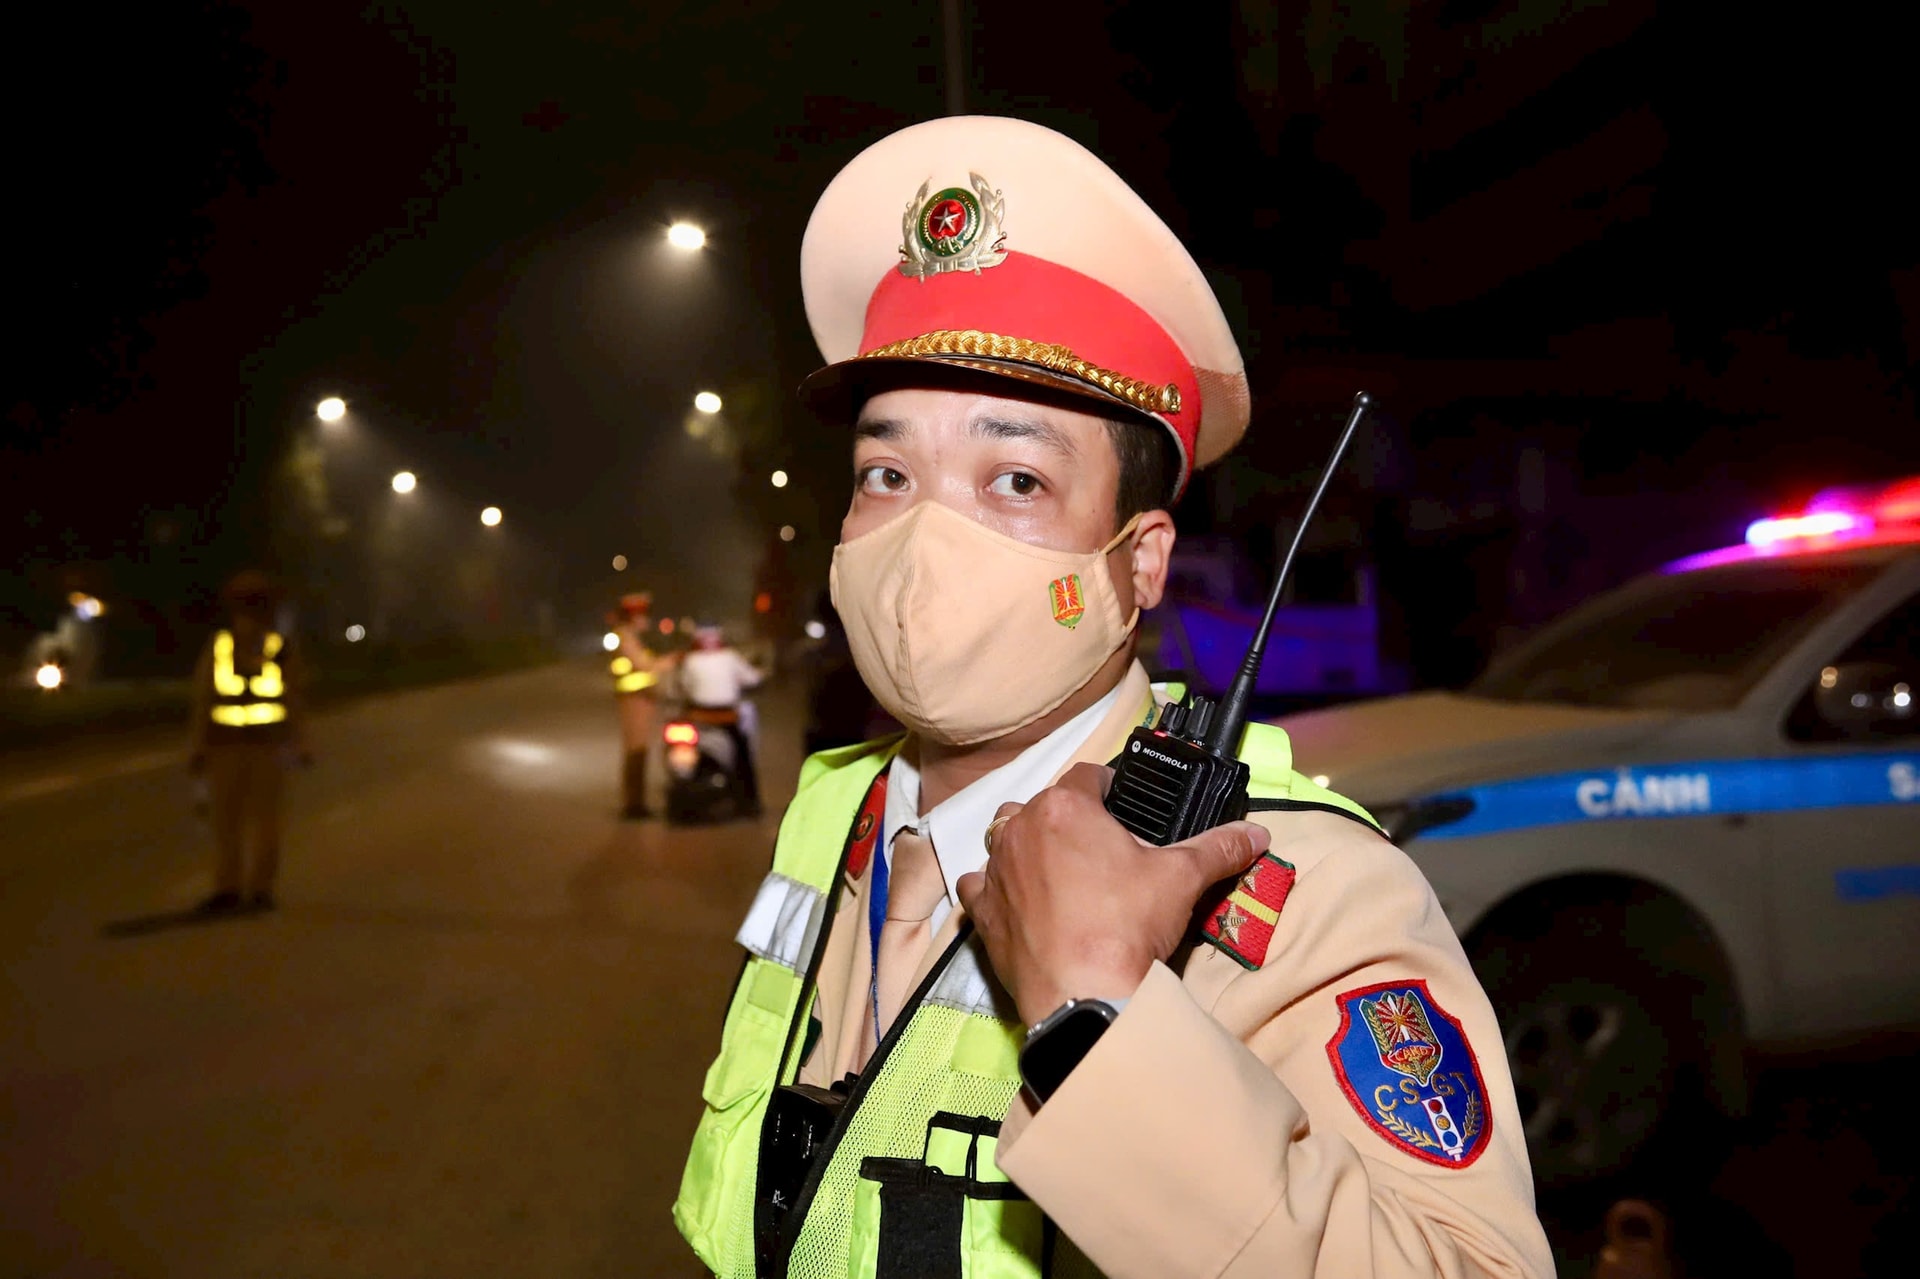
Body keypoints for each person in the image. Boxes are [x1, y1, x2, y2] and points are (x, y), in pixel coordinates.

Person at [673, 117, 1553, 1278]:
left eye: (1016, 477)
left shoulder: (1297, 891)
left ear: (1139, 563)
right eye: (887, 473)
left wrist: (1103, 1020)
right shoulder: (835, 809)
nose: (925, 536)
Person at [186, 570, 309, 912]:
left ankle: (230, 888)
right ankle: (258, 890)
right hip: (261, 746)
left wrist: (197, 745)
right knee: (260, 821)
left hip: (232, 745)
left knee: (230, 823)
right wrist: (300, 742)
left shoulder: (222, 645)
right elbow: (295, 699)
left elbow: (203, 698)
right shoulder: (277, 647)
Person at [676, 622, 765, 816]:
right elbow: (752, 678)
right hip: (726, 718)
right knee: (743, 757)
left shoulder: (690, 659)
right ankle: (749, 803)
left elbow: (683, 687)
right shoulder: (730, 657)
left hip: (697, 717)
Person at [610, 592, 668, 819]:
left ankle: (636, 802)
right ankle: (633, 805)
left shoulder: (631, 637)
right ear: (634, 617)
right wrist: (672, 660)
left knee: (639, 752)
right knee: (636, 751)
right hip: (634, 700)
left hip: (641, 698)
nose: (647, 620)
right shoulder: (625, 638)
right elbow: (644, 665)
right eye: (644, 616)